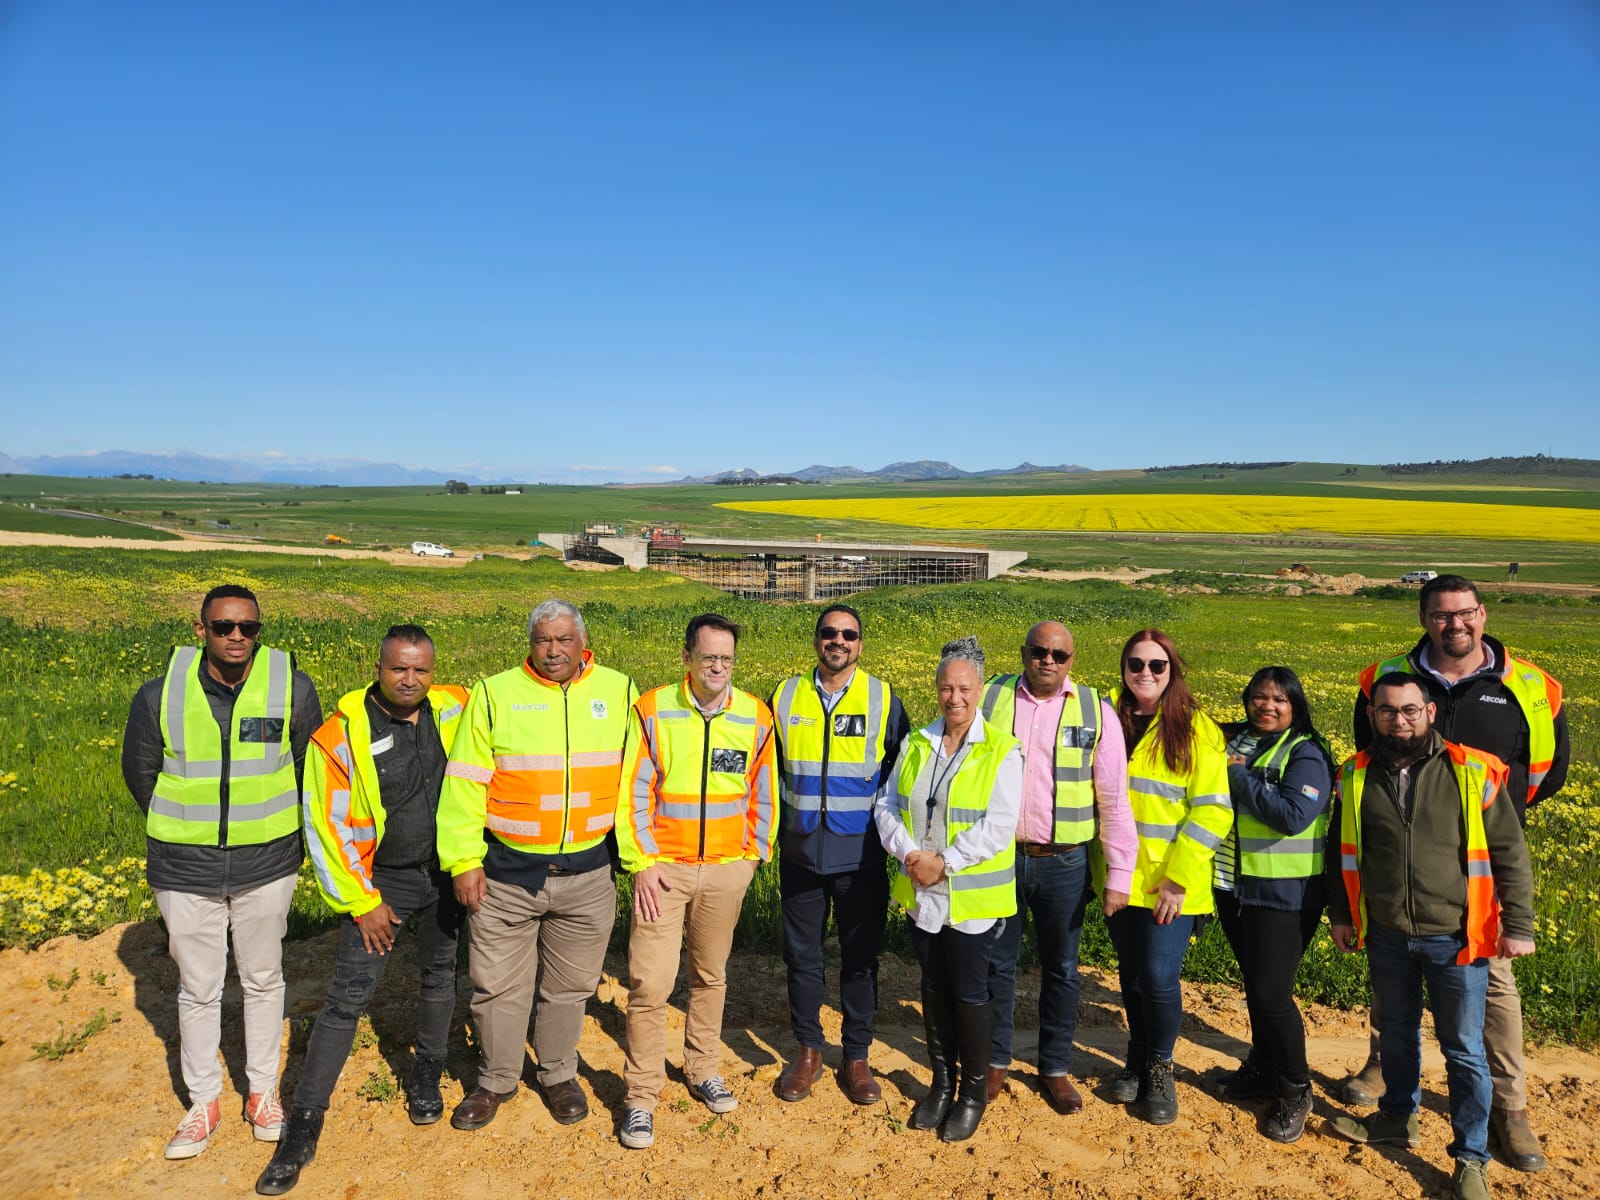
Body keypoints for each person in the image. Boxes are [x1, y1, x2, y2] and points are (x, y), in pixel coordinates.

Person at [1342, 575, 1567, 1173]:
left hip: (1484, 868)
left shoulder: (1531, 687)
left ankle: (1509, 1110)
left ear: (1482, 613)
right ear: (1423, 618)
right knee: (1394, 994)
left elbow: (1552, 772)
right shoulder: (1385, 679)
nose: (1455, 625)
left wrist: (1492, 822)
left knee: (1493, 995)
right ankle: (1388, 1081)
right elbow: (1370, 765)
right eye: (1441, 615)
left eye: (1465, 613)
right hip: (1404, 878)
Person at [256, 625, 469, 1195]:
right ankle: (303, 1121)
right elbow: (325, 827)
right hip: (383, 885)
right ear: (377, 666)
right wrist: (363, 901)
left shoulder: (453, 708)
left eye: (421, 669)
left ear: (433, 670)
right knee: (347, 999)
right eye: (399, 668)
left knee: (439, 975)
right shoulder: (340, 736)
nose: (411, 680)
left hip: (444, 876)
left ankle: (427, 1070)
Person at [121, 585, 321, 1159]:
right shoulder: (159, 694)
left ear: (260, 631)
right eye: (223, 626)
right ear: (201, 628)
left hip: (267, 863)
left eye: (248, 628)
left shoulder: (292, 687)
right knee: (199, 987)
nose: (236, 636)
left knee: (264, 979)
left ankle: (261, 1093)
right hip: (185, 867)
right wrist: (192, 828)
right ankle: (203, 1100)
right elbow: (141, 772)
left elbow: (311, 769)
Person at [1328, 672, 1535, 1200]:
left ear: (1430, 713)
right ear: (1372, 715)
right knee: (1395, 1033)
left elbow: (1510, 852)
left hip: (1456, 937)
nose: (1399, 720)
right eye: (1388, 711)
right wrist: (1343, 914)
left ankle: (1470, 1156)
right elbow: (1341, 851)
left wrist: (1519, 925)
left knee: (1463, 1049)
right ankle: (1398, 1116)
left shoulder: (1472, 770)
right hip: (1388, 935)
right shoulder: (1354, 773)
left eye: (1409, 710)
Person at [434, 600, 639, 1131]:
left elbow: (637, 780)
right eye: (544, 640)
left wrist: (634, 857)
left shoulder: (618, 690)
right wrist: (462, 860)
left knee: (570, 986)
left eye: (564, 639)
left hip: (588, 873)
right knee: (497, 986)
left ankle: (557, 1073)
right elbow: (464, 781)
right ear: (530, 643)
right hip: (506, 875)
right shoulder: (495, 693)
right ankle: (496, 1079)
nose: (554, 650)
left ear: (582, 643)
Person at [615, 613, 778, 1150]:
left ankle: (703, 1067)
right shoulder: (654, 710)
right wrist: (642, 862)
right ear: (686, 658)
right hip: (664, 872)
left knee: (710, 977)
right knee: (651, 984)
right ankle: (640, 1097)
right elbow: (634, 790)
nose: (717, 667)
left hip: (726, 870)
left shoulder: (755, 715)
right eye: (708, 657)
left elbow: (763, 794)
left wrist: (751, 858)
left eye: (726, 659)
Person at [980, 620, 1135, 1114]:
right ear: (1023, 652)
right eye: (1038, 651)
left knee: (1063, 968)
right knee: (996, 965)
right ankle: (995, 1061)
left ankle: (1054, 1068)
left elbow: (1112, 797)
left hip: (1062, 862)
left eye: (1058, 654)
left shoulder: (1095, 710)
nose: (1047, 660)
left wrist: (1119, 873)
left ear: (1072, 660)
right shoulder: (992, 696)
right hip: (1000, 856)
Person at [875, 636, 1021, 1143]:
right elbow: (886, 805)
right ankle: (941, 1084)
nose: (953, 697)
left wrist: (946, 863)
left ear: (980, 689)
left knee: (970, 993)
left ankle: (973, 1093)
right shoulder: (918, 743)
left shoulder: (1002, 749)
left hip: (971, 899)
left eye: (963, 688)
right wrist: (909, 855)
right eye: (945, 688)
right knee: (933, 988)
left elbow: (999, 825)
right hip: (922, 894)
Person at [771, 604, 910, 1105]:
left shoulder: (883, 698)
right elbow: (767, 772)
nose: (838, 641)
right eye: (829, 633)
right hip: (801, 850)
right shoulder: (785, 695)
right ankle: (807, 1051)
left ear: (860, 645)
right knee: (802, 957)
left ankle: (856, 1057)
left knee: (860, 960)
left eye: (848, 634)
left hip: (862, 856)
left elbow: (900, 777)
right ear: (815, 641)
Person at [1101, 628, 1230, 1126]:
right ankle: (1136, 1056)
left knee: (1158, 977)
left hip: (1170, 884)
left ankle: (1160, 1065)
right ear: (1124, 668)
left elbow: (1214, 811)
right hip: (1119, 878)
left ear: (1173, 670)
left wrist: (1177, 879)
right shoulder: (1108, 718)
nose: (1146, 674)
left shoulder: (1197, 729)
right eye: (1136, 665)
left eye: (1157, 666)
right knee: (1132, 975)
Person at [1211, 666, 1334, 1143]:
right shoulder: (1236, 737)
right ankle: (1262, 1066)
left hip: (1284, 894)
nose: (1268, 706)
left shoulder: (1306, 751)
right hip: (1232, 885)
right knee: (1255, 985)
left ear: (1296, 706)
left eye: (1279, 700)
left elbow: (1292, 815)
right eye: (1259, 697)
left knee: (1270, 993)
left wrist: (1238, 778)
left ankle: (1295, 1086)